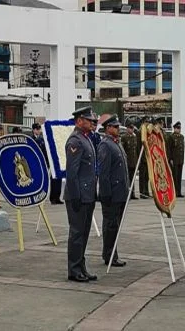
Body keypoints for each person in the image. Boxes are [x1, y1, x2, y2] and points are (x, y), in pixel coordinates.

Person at [65, 107, 99, 282]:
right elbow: (72, 173)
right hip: (78, 195)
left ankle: (81, 266)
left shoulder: (86, 139)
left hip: (87, 195)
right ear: (79, 121)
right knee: (77, 233)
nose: (92, 122)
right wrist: (76, 195)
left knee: (84, 233)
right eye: (88, 119)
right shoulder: (75, 141)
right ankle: (74, 269)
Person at [98, 115, 129, 268]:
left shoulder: (117, 144)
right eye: (115, 127)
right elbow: (103, 173)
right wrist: (106, 194)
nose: (118, 129)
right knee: (110, 226)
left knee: (115, 226)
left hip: (120, 193)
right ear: (108, 128)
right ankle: (109, 255)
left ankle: (112, 254)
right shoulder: (105, 145)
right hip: (112, 194)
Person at [121, 120, 140, 200]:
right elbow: (123, 150)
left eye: (132, 128)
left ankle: (132, 193)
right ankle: (127, 194)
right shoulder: (124, 137)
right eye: (130, 128)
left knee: (132, 179)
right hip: (127, 162)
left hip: (133, 161)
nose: (131, 130)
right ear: (127, 128)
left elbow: (136, 150)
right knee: (127, 179)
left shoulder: (134, 137)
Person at [166, 122, 185, 198]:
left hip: (180, 159)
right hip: (174, 160)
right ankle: (174, 192)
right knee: (174, 176)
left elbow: (182, 149)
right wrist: (170, 159)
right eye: (177, 128)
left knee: (179, 176)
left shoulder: (181, 137)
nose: (179, 130)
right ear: (174, 129)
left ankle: (179, 192)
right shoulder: (171, 137)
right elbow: (169, 149)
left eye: (179, 128)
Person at [136, 119, 150, 199]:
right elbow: (138, 146)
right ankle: (142, 192)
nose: (147, 124)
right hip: (142, 158)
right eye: (146, 122)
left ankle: (146, 191)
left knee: (147, 176)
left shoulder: (147, 133)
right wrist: (139, 158)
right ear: (143, 123)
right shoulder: (139, 132)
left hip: (147, 157)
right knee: (142, 176)